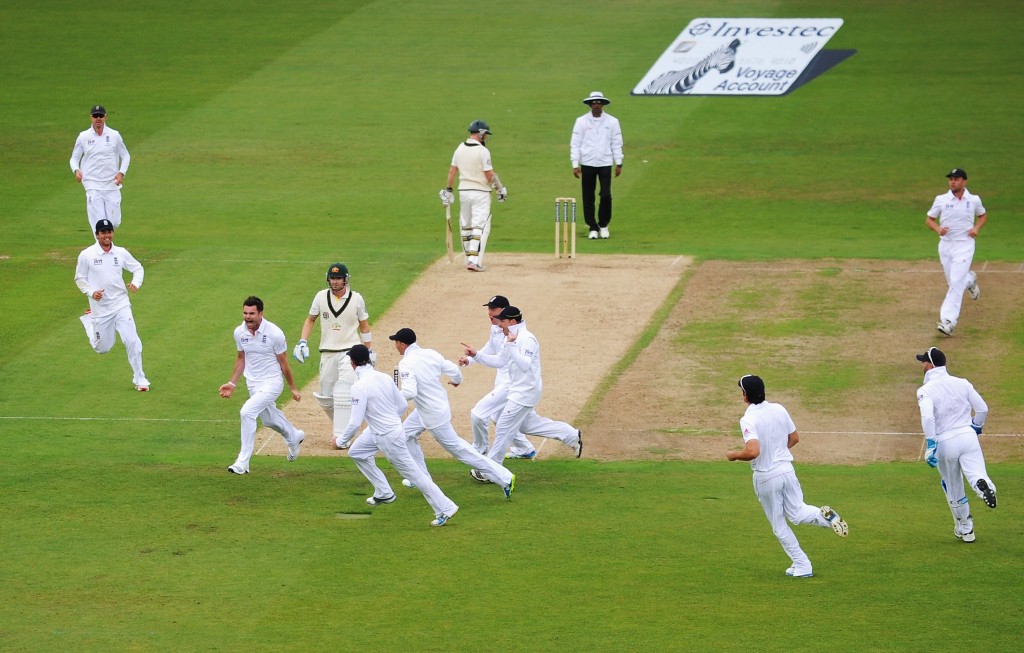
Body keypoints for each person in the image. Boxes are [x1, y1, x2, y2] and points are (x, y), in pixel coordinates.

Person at [727, 375, 848, 578]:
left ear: (745, 395)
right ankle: (827, 518)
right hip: (786, 470)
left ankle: (802, 565)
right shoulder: (779, 409)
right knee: (798, 511)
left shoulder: (748, 419)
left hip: (766, 476)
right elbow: (794, 438)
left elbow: (753, 451)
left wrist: (735, 456)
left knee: (779, 524)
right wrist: (776, 451)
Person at [337, 345, 461, 526]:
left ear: (353, 363)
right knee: (357, 452)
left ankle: (445, 508)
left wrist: (340, 441)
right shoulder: (385, 377)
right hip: (382, 431)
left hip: (387, 436)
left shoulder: (358, 387)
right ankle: (384, 492)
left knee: (415, 475)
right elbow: (402, 405)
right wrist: (389, 420)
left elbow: (355, 423)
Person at [387, 328, 516, 497]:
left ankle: (504, 477)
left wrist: (391, 400)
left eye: (396, 342)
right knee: (405, 435)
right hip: (431, 409)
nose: (395, 345)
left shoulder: (406, 363)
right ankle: (421, 477)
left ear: (402, 344)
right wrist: (457, 381)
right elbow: (454, 370)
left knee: (460, 450)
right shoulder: (430, 353)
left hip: (433, 415)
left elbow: (410, 392)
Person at [915, 347, 996, 543]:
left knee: (953, 487)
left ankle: (966, 529)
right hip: (968, 436)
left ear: (931, 365)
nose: (922, 364)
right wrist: (976, 427)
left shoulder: (925, 390)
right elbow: (982, 408)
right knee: (977, 473)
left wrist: (931, 445)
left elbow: (927, 418)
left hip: (945, 442)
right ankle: (984, 486)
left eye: (924, 361)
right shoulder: (962, 383)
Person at [218, 296, 304, 474]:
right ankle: (294, 436)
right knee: (268, 420)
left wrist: (293, 387)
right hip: (253, 383)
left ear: (261, 314)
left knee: (247, 412)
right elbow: (241, 358)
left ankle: (243, 462)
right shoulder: (239, 332)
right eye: (245, 313)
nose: (247, 317)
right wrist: (232, 383)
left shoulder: (275, 334)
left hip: (272, 382)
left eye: (252, 314)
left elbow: (284, 363)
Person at [486, 306, 583, 464]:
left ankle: (491, 470)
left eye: (502, 321)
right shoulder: (509, 337)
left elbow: (524, 365)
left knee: (503, 426)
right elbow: (499, 361)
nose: (499, 325)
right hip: (517, 391)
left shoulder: (527, 339)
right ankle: (571, 435)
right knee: (528, 426)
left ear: (512, 321)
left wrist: (511, 346)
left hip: (526, 392)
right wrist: (475, 356)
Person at [293, 263, 372, 445]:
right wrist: (302, 341)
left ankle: (341, 436)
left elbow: (364, 325)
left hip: (349, 352)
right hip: (327, 352)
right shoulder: (321, 296)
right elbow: (310, 319)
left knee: (344, 391)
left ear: (345, 279)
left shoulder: (356, 299)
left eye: (338, 278)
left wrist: (368, 350)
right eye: (332, 278)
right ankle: (345, 427)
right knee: (326, 397)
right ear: (328, 279)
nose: (335, 282)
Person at [74, 218, 151, 392]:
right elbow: (79, 278)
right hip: (100, 309)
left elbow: (138, 268)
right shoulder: (87, 255)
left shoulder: (121, 253)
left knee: (132, 340)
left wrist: (135, 283)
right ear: (97, 235)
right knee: (103, 348)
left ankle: (140, 379)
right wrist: (91, 292)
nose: (107, 235)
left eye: (109, 232)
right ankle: (89, 321)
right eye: (103, 232)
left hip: (121, 303)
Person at [458, 295, 537, 459]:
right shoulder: (495, 328)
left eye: (493, 309)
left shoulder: (511, 331)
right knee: (499, 417)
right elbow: (490, 347)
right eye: (488, 309)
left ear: (504, 313)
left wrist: (476, 356)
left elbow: (502, 360)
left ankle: (481, 451)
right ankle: (524, 448)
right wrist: (471, 359)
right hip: (502, 380)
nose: (489, 313)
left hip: (511, 382)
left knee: (482, 414)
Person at [440, 120, 507, 272]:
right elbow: (489, 174)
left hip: (463, 191)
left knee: (466, 225)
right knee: (479, 226)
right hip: (480, 193)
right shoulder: (483, 151)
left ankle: (468, 258)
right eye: (485, 135)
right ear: (481, 133)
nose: (486, 138)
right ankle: (473, 261)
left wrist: (448, 190)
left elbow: (452, 171)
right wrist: (500, 189)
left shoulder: (459, 148)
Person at [926, 167, 986, 336]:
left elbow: (983, 215)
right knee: (954, 282)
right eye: (951, 179)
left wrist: (976, 228)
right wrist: (938, 229)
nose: (953, 181)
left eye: (956, 179)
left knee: (955, 283)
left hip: (964, 245)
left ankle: (948, 321)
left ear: (964, 182)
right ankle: (970, 279)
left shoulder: (973, 200)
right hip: (946, 245)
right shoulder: (941, 199)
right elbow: (929, 219)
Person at [570, 91, 623, 240]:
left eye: (599, 102)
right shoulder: (581, 121)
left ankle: (604, 225)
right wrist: (575, 164)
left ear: (603, 104)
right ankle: (592, 227)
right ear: (590, 105)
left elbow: (617, 143)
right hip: (587, 163)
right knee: (588, 196)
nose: (596, 105)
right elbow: (575, 144)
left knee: (605, 194)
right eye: (593, 103)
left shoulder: (612, 122)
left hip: (605, 162)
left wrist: (619, 163)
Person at [70, 105, 131, 232]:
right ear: (91, 118)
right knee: (99, 222)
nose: (98, 118)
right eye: (95, 116)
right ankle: (101, 247)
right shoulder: (84, 136)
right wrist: (76, 170)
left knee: (114, 222)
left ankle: (105, 242)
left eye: (101, 116)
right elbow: (74, 158)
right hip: (92, 183)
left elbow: (125, 156)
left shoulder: (114, 135)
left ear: (105, 117)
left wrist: (121, 173)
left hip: (111, 183)